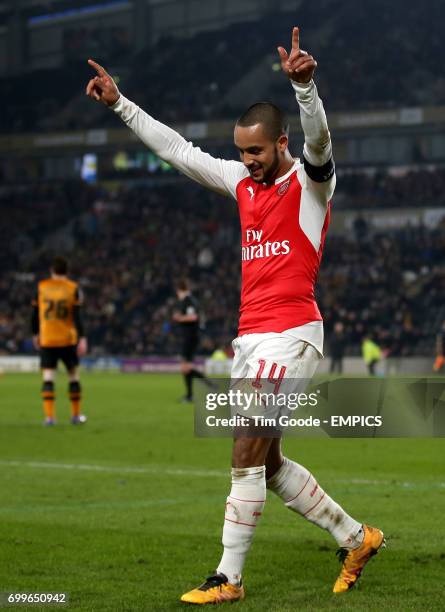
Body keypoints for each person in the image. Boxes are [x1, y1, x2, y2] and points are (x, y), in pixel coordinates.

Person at [86, 26, 384, 603]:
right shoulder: (241, 184)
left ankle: (229, 578)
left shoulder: (309, 185)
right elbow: (178, 150)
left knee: (244, 443)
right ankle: (357, 537)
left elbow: (320, 144)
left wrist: (306, 89)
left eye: (256, 151)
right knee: (266, 464)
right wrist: (121, 105)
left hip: (291, 332)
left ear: (280, 143)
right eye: (241, 151)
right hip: (250, 337)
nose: (246, 161)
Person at [31, 256, 88, 425]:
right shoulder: (73, 288)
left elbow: (34, 315)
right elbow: (77, 316)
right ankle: (76, 416)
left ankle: (49, 417)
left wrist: (35, 334)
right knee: (73, 376)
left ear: (52, 270)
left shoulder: (41, 287)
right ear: (67, 271)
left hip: (47, 338)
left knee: (48, 377)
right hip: (67, 339)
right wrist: (82, 337)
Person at [173, 279, 212, 401]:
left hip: (190, 337)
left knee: (185, 368)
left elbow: (193, 316)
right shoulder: (189, 300)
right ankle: (191, 394)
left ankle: (207, 386)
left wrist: (179, 318)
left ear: (180, 290)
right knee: (185, 368)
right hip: (189, 337)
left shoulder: (188, 300)